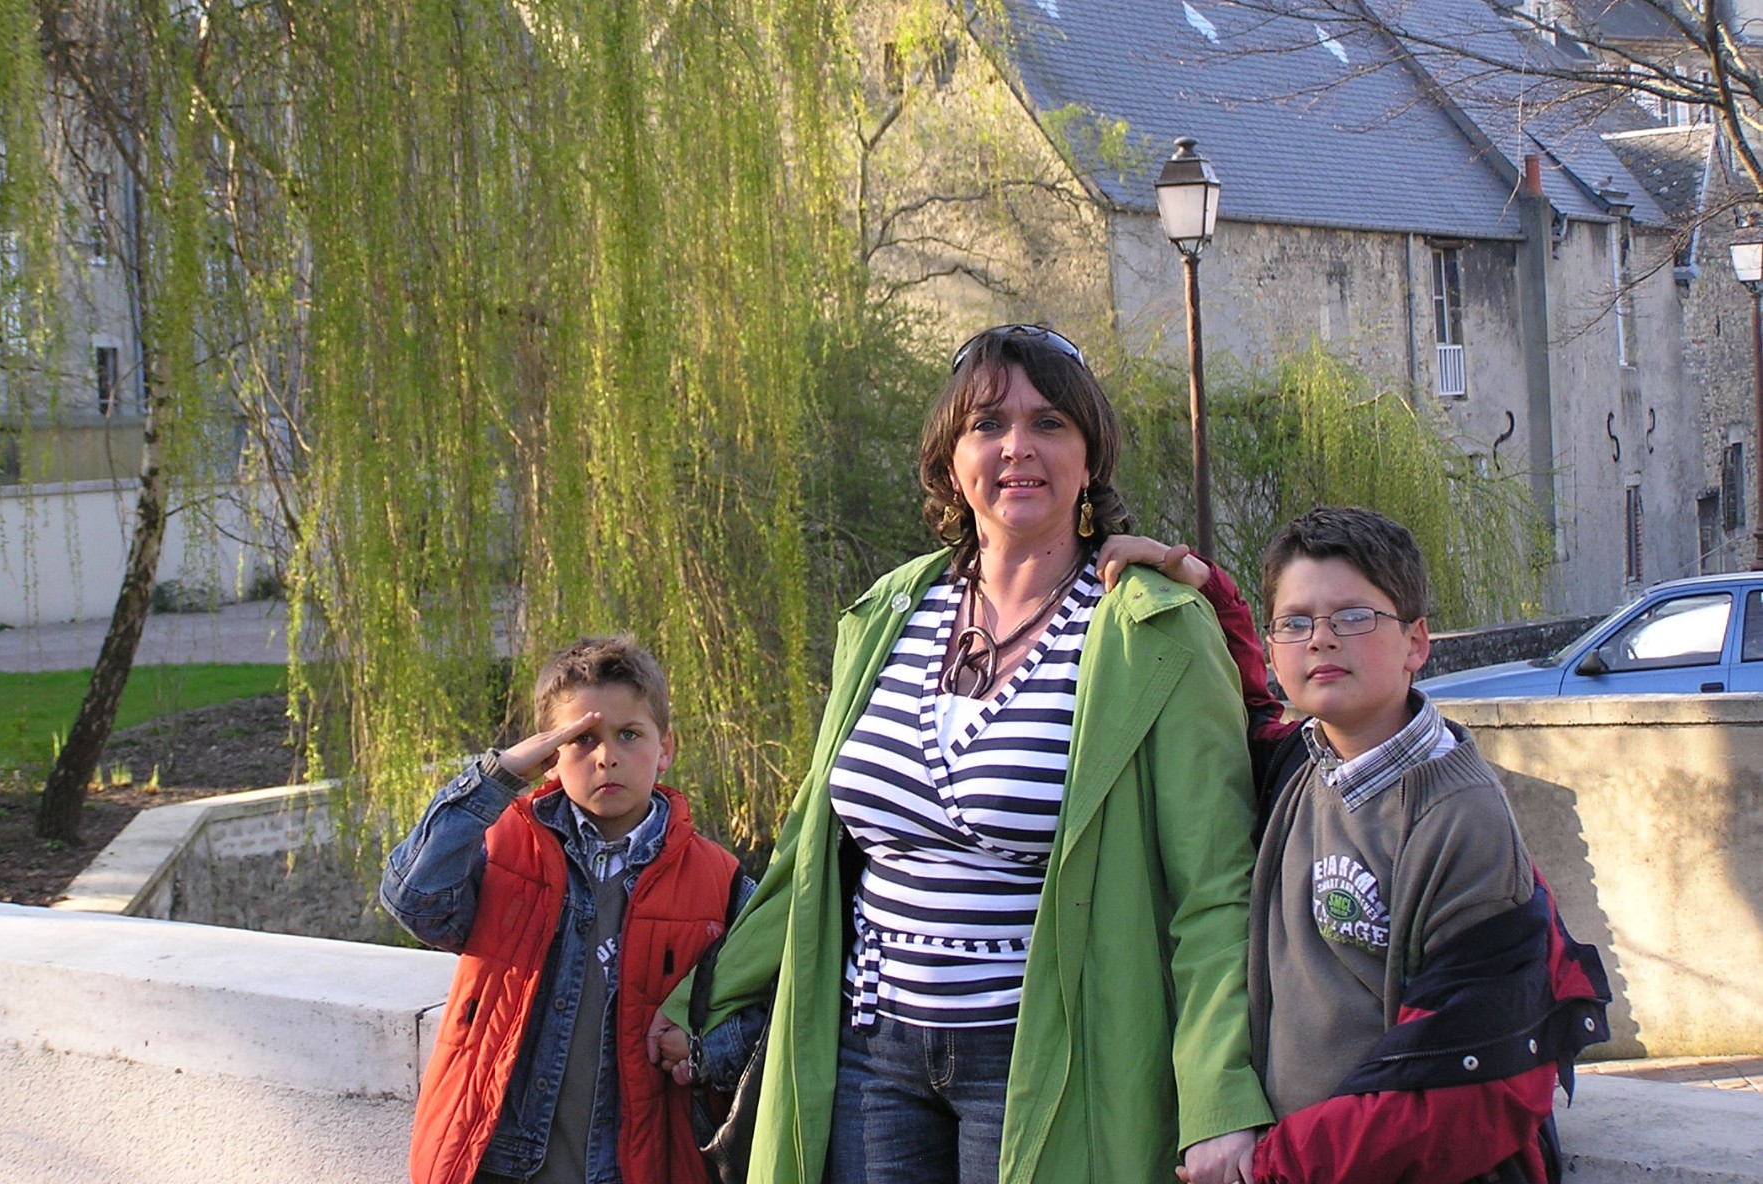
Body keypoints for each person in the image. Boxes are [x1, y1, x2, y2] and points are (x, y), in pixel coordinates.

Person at [650, 323, 1274, 1184]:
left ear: (1090, 457)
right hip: (869, 1053)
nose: (1018, 446)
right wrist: (707, 996)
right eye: (987, 424)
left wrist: (1218, 1097)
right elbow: (809, 857)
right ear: (951, 459)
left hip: (1046, 1062)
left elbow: (1213, 888)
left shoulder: (1151, 629)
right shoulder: (887, 612)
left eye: (1050, 422)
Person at [1243, 507, 1609, 1183]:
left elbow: (1462, 1090)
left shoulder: (1459, 821)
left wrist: (1268, 1166)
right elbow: (1232, 709)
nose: (1320, 640)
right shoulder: (1301, 765)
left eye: (1353, 616)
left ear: (1416, 643)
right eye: (1294, 623)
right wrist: (1200, 584)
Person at [380, 634, 755, 1184]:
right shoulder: (503, 849)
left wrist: (704, 1051)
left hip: (645, 1164)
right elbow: (416, 902)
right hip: (501, 1162)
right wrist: (497, 778)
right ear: (549, 755)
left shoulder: (717, 879)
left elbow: (775, 1004)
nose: (607, 756)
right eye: (582, 739)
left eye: (629, 735)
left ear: (666, 748)